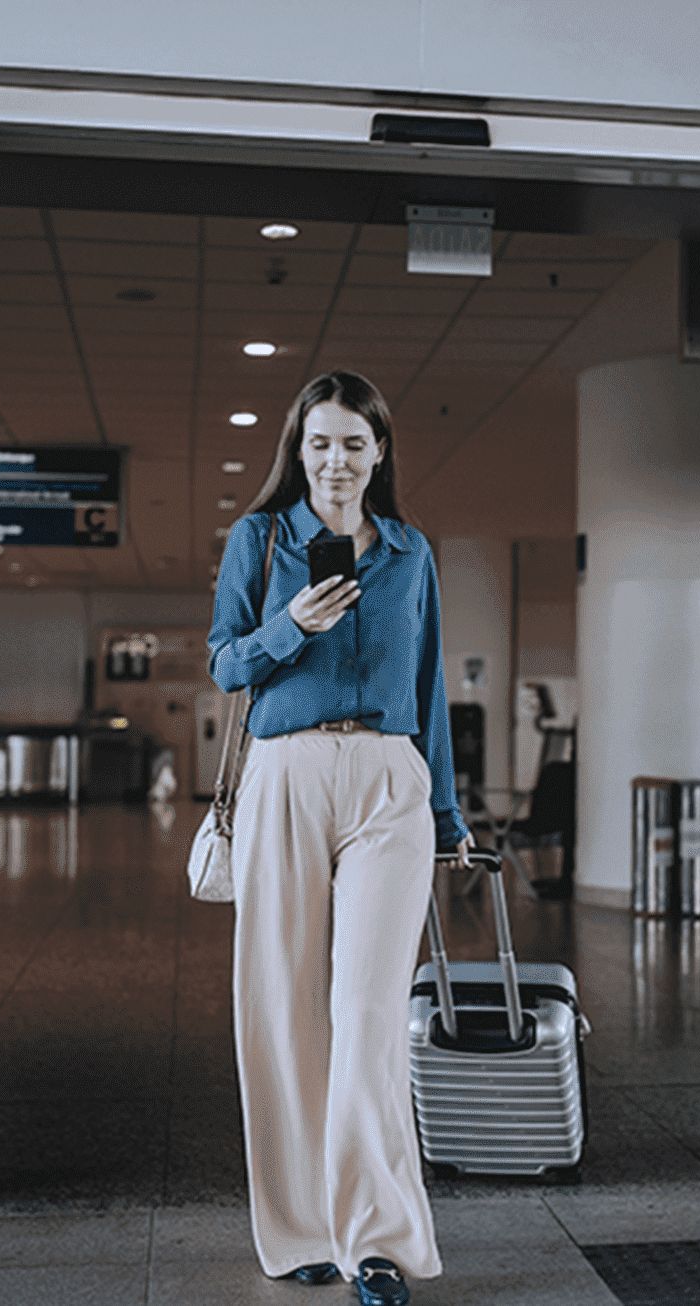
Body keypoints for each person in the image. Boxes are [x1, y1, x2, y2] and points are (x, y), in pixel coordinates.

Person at [207, 369, 472, 1306]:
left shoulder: (409, 551)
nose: (336, 460)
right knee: (282, 1005)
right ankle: (297, 1232)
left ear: (379, 454)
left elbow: (431, 683)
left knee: (366, 1019)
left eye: (355, 443)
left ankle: (378, 1244)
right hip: (287, 770)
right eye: (320, 442)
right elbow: (226, 662)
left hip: (389, 781)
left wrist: (446, 813)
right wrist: (287, 627)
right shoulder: (262, 539)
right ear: (299, 451)